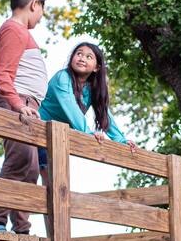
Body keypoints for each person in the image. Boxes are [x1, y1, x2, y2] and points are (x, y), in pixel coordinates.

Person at [0, 0, 47, 234]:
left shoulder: (20, 31)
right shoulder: (14, 29)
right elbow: (2, 74)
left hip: (26, 104)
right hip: (17, 102)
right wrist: (18, 104)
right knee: (19, 158)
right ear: (34, 4)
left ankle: (21, 228)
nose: (41, 18)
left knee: (31, 167)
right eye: (42, 11)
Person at [38, 41, 136, 182]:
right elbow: (71, 107)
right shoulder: (62, 77)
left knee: (56, 180)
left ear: (97, 67)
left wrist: (121, 140)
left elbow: (104, 114)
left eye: (89, 57)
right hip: (40, 128)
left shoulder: (92, 88)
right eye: (79, 54)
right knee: (39, 173)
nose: (82, 58)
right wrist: (88, 133)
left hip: (59, 136)